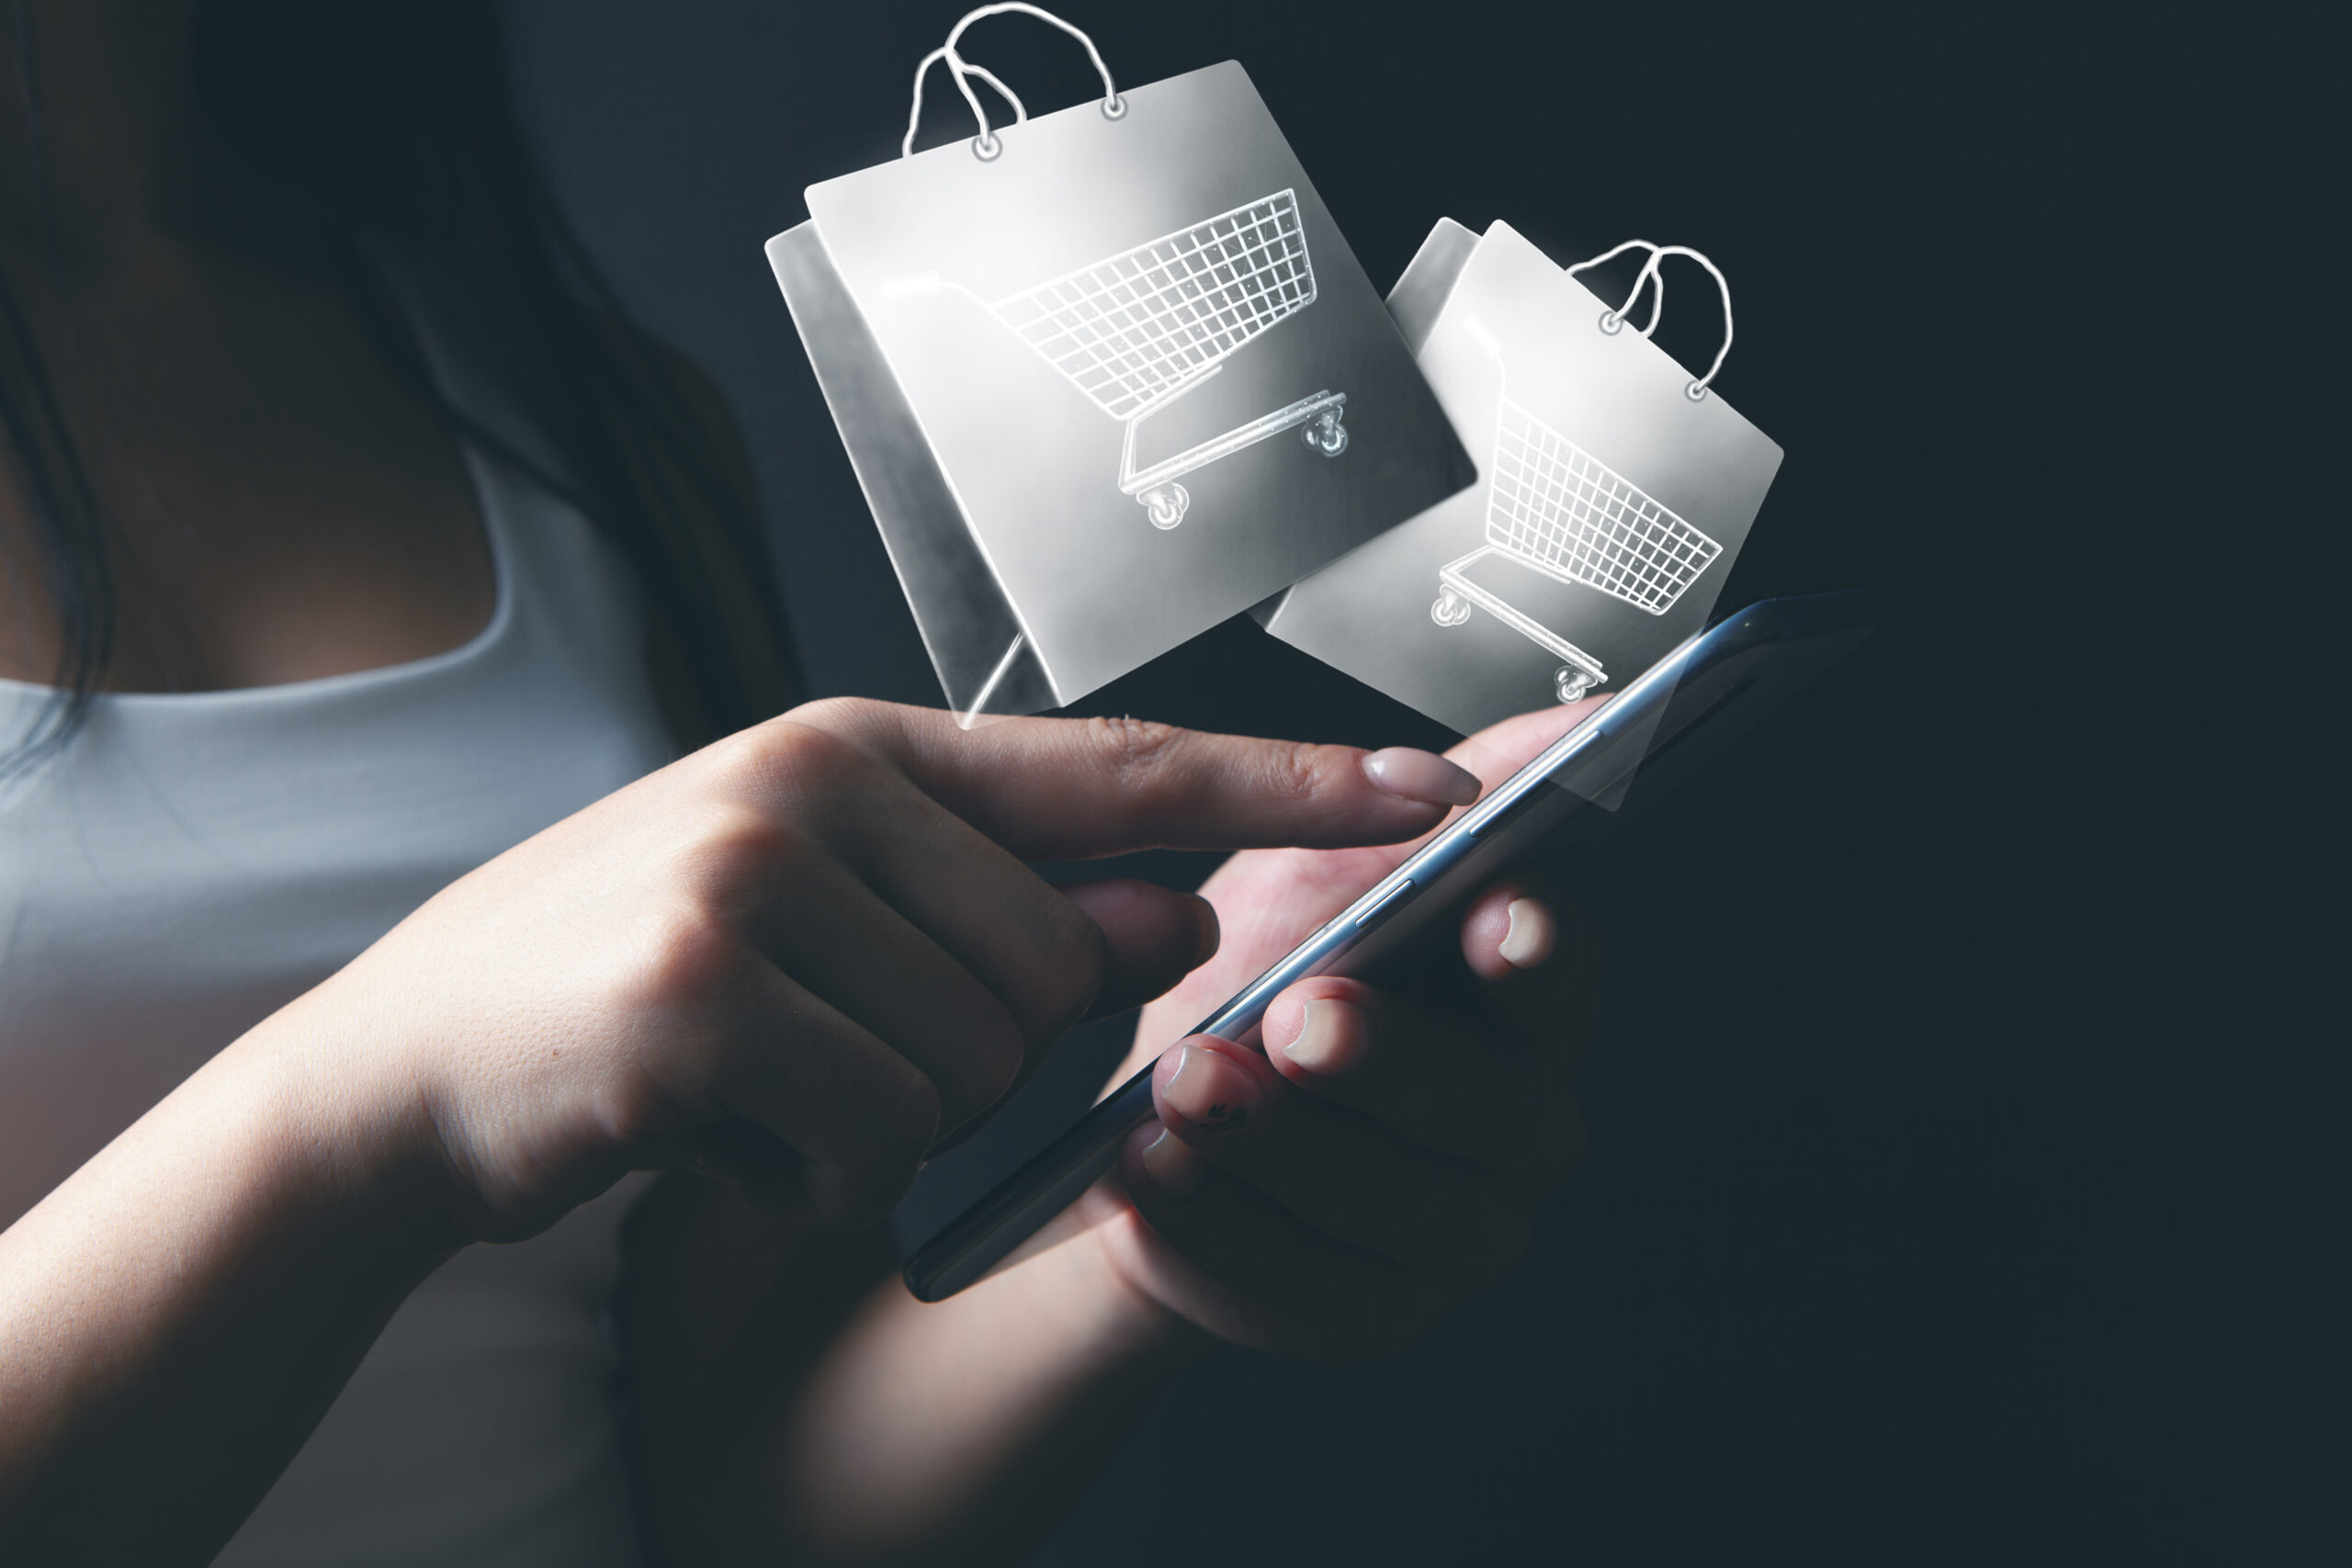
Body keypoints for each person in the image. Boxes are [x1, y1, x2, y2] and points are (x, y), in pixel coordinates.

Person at [0, 5, 1591, 1563]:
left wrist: (1143, 1216)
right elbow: (408, 1080)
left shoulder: (580, 422)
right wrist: (391, 1094)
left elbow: (734, 1496)